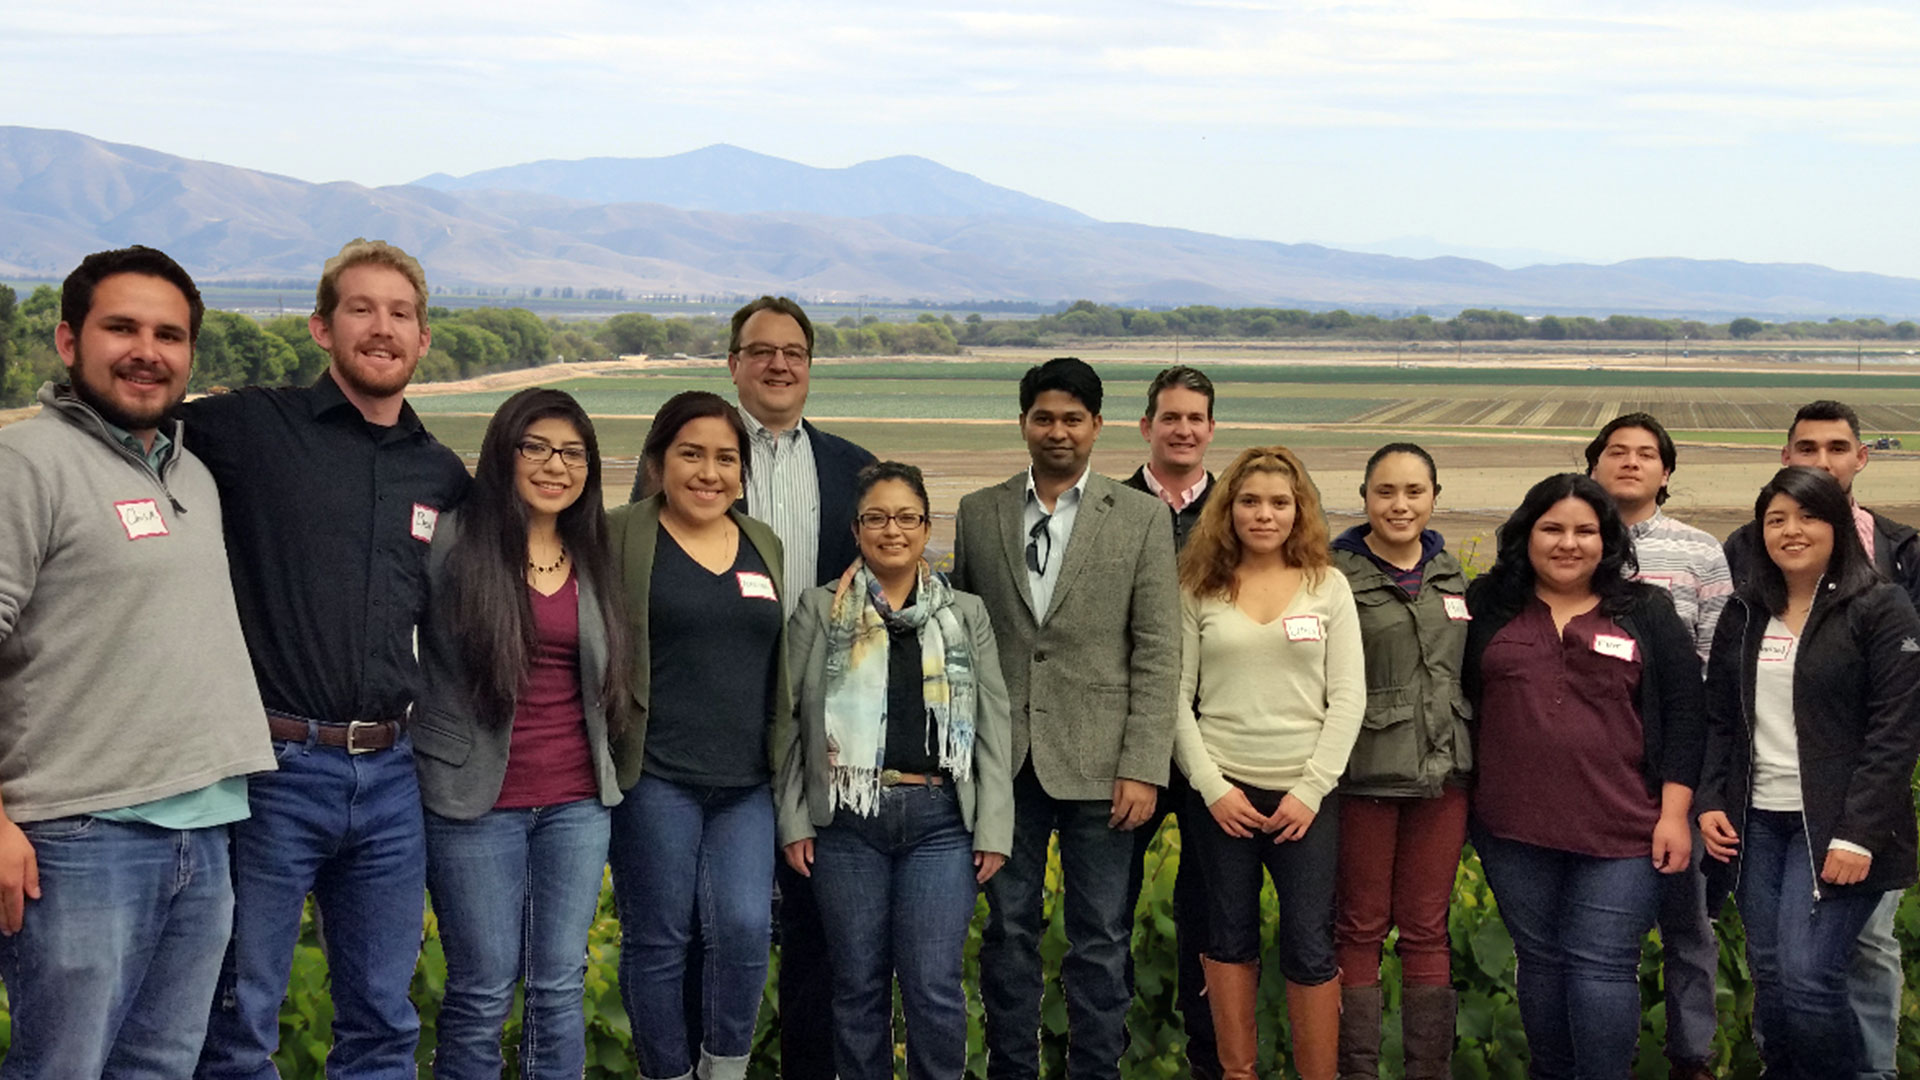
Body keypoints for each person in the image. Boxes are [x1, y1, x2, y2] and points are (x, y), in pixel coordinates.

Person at [186, 238, 472, 1078]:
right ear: (320, 327)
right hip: (273, 770)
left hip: (391, 777)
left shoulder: (440, 472)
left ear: (423, 340)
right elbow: (124, 423)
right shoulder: (247, 428)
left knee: (384, 1021)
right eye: (361, 309)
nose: (381, 329)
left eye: (401, 314)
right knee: (241, 1017)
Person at [0, 247, 276, 1078]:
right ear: (66, 340)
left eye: (169, 333)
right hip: (80, 839)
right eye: (120, 327)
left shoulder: (189, 470)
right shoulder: (27, 465)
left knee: (158, 1067)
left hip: (204, 830)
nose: (146, 351)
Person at [632, 296, 874, 1080]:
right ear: (732, 363)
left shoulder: (853, 470)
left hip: (820, 738)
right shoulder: (656, 507)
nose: (779, 364)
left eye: (794, 352)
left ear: (810, 366)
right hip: (704, 739)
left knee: (812, 928)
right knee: (693, 931)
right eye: (760, 350)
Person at [949, 357, 1179, 1080]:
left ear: (1098, 427)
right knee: (1008, 931)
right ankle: (1011, 1069)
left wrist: (1144, 765)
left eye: (1072, 419)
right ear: (1022, 423)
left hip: (1103, 767)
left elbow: (1158, 650)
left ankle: (1094, 1070)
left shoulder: (1141, 516)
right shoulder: (981, 513)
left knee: (1101, 937)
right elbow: (966, 638)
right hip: (1006, 764)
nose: (1057, 431)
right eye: (1043, 417)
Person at [414, 388, 629, 1079]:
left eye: (572, 452)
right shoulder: (451, 542)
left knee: (559, 987)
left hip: (575, 801)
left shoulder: (592, 552)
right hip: (473, 800)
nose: (554, 465)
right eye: (535, 446)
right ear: (502, 453)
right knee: (481, 990)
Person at [777, 460, 1015, 1080]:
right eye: (877, 518)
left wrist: (992, 826)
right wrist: (796, 819)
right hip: (846, 825)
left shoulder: (964, 613)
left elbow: (993, 723)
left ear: (926, 526)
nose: (893, 530)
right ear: (857, 529)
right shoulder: (819, 610)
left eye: (907, 517)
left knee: (933, 986)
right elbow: (789, 724)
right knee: (856, 986)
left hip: (940, 822)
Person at [1462, 473, 1703, 1080]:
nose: (1568, 543)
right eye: (1552, 528)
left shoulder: (1645, 610)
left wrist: (1675, 814)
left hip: (1626, 828)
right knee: (1540, 962)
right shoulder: (1486, 604)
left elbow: (1684, 714)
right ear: (1527, 534)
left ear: (1608, 540)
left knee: (1601, 966)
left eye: (1585, 531)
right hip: (1513, 828)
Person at [1696, 466, 1920, 1079]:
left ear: (1838, 525)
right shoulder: (1745, 611)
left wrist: (1858, 835)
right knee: (1771, 975)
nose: (1791, 531)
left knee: (1809, 978)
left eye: (1808, 516)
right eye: (1776, 519)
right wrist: (1711, 798)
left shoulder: (1879, 607)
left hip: (1836, 827)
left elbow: (1896, 732)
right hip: (1757, 822)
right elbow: (1721, 719)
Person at [605, 390, 791, 1080]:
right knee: (658, 940)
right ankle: (668, 1072)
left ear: (743, 471)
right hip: (656, 776)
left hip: (747, 781)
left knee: (744, 930)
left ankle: (725, 1068)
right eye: (691, 454)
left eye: (725, 458)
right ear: (659, 460)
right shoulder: (621, 533)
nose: (708, 472)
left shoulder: (760, 541)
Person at [1172, 445, 1361, 1080]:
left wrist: (1310, 790)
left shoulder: (1327, 586)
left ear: (1299, 510)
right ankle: (1237, 1071)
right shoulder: (1198, 586)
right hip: (1223, 792)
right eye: (1249, 501)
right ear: (1228, 510)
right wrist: (1210, 787)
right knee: (1227, 936)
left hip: (1305, 797)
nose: (1264, 514)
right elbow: (1174, 696)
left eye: (1280, 502)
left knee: (1310, 943)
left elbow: (1349, 696)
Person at [1582, 412, 1732, 1080]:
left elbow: (1717, 662)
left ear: (1666, 472)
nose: (1631, 463)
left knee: (1688, 920)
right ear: (1593, 464)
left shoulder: (1699, 552)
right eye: (1617, 451)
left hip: (1677, 759)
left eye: (1647, 454)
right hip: (1587, 764)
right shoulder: (1562, 539)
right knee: (1588, 928)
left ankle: (1690, 1055)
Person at [1328, 443, 1470, 1080]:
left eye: (1414, 491)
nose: (1400, 504)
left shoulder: (1453, 575)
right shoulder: (1332, 575)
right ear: (1364, 498)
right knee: (1359, 928)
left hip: (1445, 775)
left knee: (1426, 929)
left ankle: (1427, 1071)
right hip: (1364, 776)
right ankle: (1356, 1070)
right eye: (1386, 491)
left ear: (1435, 497)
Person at [1118, 365, 1219, 1080]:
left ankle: (1211, 1059)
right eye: (1171, 417)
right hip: (1129, 742)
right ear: (1146, 426)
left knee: (1211, 915)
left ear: (1212, 429)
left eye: (1196, 417)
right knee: (1106, 908)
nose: (1183, 429)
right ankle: (1105, 1055)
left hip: (1216, 743)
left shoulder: (1241, 511)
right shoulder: (1108, 507)